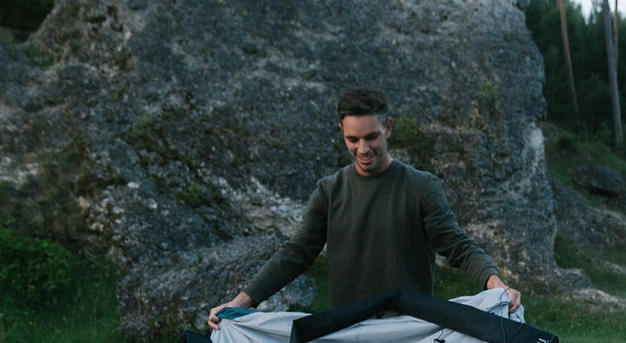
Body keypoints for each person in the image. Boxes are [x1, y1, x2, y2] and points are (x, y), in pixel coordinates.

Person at [208, 87, 520, 329]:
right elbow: (295, 254)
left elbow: (458, 246)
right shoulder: (329, 191)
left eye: (371, 137)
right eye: (352, 139)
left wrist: (498, 287)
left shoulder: (421, 187)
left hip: (411, 331)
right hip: (347, 333)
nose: (363, 148)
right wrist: (241, 302)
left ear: (389, 128)